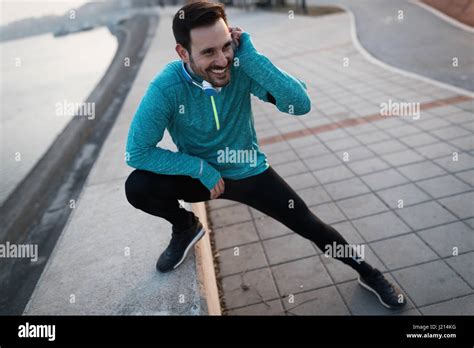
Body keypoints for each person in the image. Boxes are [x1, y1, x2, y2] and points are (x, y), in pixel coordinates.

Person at [124, 1, 406, 309]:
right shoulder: (166, 88)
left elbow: (300, 103)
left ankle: (368, 272)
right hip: (202, 177)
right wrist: (198, 168)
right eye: (208, 52)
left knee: (311, 226)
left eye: (226, 46)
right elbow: (137, 152)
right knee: (137, 187)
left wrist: (251, 57)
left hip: (249, 172)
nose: (222, 61)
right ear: (183, 53)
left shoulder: (241, 65)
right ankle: (185, 226)